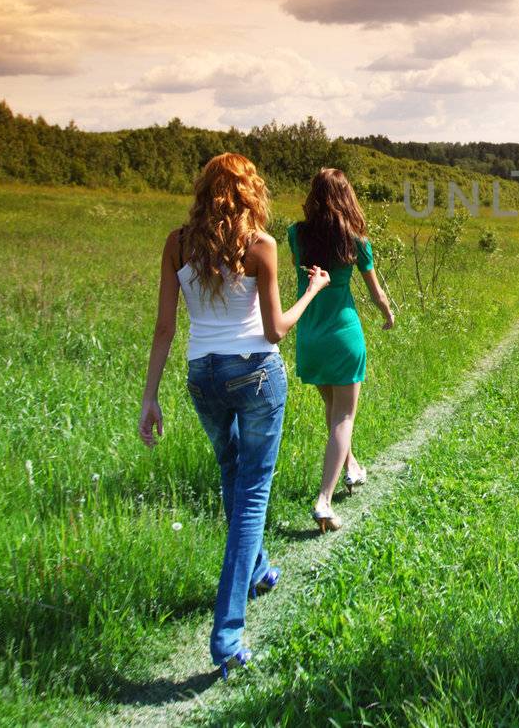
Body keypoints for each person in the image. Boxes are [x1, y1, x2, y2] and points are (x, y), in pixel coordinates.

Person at [137, 152, 330, 679]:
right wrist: (312, 290)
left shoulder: (177, 244)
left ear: (204, 192)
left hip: (203, 377)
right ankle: (227, 636)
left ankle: (259, 569)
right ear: (251, 193)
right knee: (252, 494)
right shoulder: (260, 246)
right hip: (257, 374)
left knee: (232, 473)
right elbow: (274, 331)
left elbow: (163, 328)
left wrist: (149, 396)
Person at [286, 168, 395, 532]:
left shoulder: (295, 235)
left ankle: (351, 468)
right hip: (343, 334)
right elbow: (376, 293)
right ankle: (324, 500)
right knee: (343, 418)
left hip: (310, 334)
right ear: (347, 197)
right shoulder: (357, 241)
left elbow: (305, 273)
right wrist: (388, 314)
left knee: (333, 412)